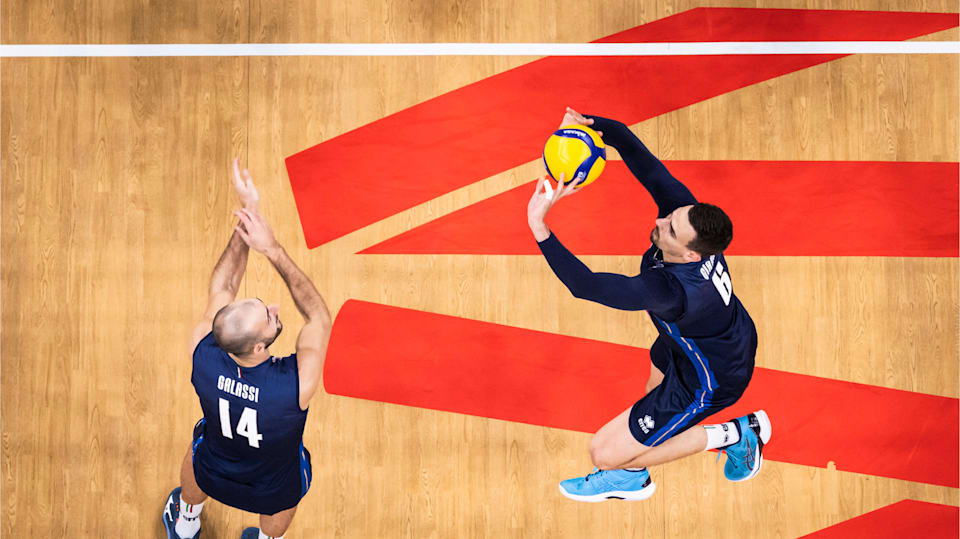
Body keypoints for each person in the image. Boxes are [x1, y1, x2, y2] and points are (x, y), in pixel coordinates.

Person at [527, 108, 771, 502]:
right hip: (701, 341)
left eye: (671, 229)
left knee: (605, 453)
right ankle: (633, 474)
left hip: (710, 378)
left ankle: (737, 434)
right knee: (649, 401)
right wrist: (589, 125)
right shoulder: (687, 218)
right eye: (671, 216)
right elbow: (639, 155)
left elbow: (585, 286)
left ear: (691, 255)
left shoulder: (670, 290)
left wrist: (540, 226)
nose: (662, 221)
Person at [162, 159, 332, 538]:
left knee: (196, 450)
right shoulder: (293, 386)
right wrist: (271, 249)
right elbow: (318, 317)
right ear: (258, 346)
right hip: (271, 489)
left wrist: (246, 218)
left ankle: (187, 523)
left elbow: (222, 287)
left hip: (213, 472)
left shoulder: (203, 354)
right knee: (288, 492)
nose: (274, 308)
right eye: (269, 318)